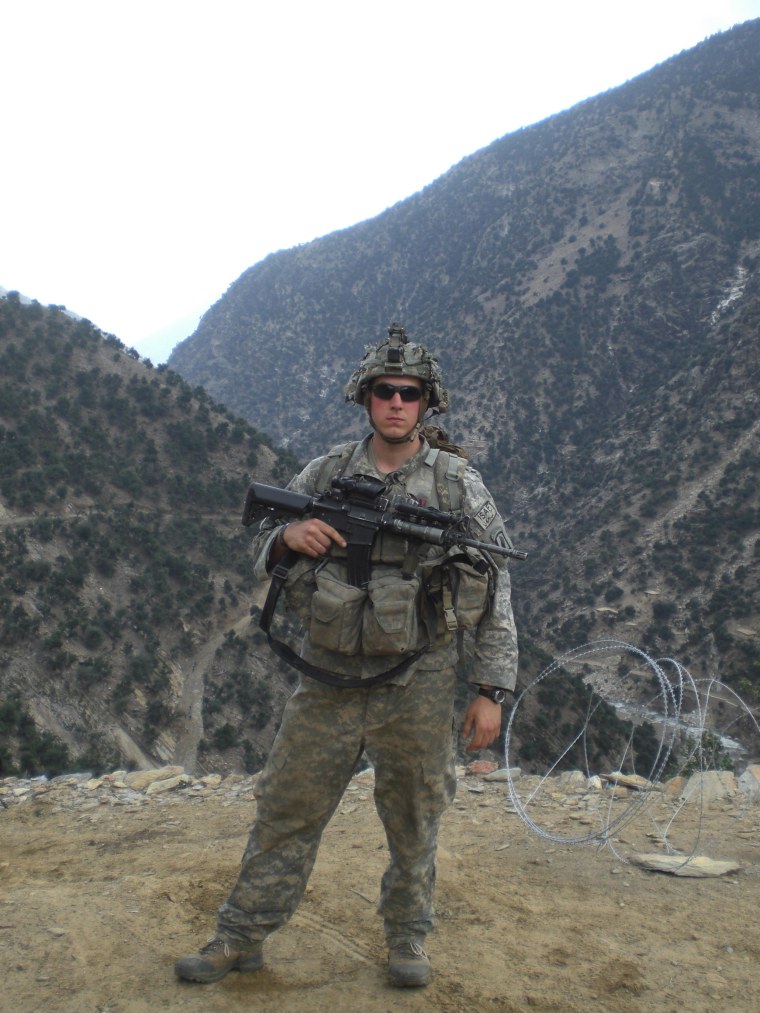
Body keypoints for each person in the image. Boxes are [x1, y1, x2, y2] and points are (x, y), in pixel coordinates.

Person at [175, 323, 519, 989]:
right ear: (366, 397)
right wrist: (286, 538)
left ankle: (407, 940)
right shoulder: (327, 473)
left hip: (418, 679)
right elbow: (265, 547)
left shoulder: (457, 486)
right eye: (385, 391)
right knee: (287, 807)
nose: (396, 402)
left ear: (427, 403)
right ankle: (240, 933)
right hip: (329, 676)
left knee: (416, 813)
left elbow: (497, 583)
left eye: (409, 393)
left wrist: (491, 688)